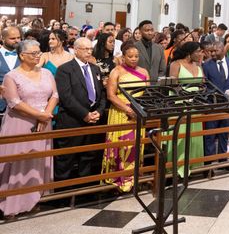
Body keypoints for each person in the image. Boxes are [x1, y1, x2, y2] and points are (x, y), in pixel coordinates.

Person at [0, 40, 58, 218]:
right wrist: (38, 115)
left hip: (44, 122)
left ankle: (33, 199)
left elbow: (54, 95)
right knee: (19, 161)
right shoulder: (12, 76)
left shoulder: (47, 72)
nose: (37, 55)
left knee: (37, 161)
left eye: (39, 52)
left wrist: (46, 114)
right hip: (20, 122)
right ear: (22, 56)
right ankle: (10, 204)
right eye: (33, 53)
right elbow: (14, 102)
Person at [54, 37, 107, 182]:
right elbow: (66, 97)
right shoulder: (64, 69)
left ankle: (85, 186)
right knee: (66, 157)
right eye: (86, 49)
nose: (89, 52)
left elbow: (102, 93)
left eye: (91, 49)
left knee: (89, 155)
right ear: (76, 50)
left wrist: (99, 112)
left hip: (93, 119)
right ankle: (62, 191)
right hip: (72, 120)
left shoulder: (95, 69)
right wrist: (85, 114)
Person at [101, 42, 149, 192]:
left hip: (138, 111)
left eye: (136, 56)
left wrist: (141, 108)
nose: (134, 59)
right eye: (130, 56)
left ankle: (134, 176)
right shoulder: (117, 71)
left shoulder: (144, 71)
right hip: (121, 112)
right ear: (123, 57)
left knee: (136, 145)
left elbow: (148, 92)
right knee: (122, 146)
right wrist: (128, 109)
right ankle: (118, 178)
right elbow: (111, 95)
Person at [168, 42, 205, 177]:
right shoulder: (176, 64)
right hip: (180, 104)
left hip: (195, 104)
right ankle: (176, 166)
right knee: (180, 136)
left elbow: (203, 83)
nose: (202, 54)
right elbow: (173, 85)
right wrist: (185, 95)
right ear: (190, 53)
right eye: (199, 51)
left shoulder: (199, 65)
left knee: (194, 136)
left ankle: (193, 164)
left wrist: (200, 92)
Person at [203, 42, 229, 171]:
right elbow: (205, 85)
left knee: (224, 132)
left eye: (215, 50)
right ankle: (208, 162)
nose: (212, 53)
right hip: (213, 104)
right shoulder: (206, 65)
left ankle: (224, 160)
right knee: (210, 134)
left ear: (223, 49)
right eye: (211, 51)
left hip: (228, 103)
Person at [0, 26, 22, 113]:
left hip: (21, 106)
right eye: (12, 38)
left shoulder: (25, 55)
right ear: (2, 38)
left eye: (19, 37)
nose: (17, 40)